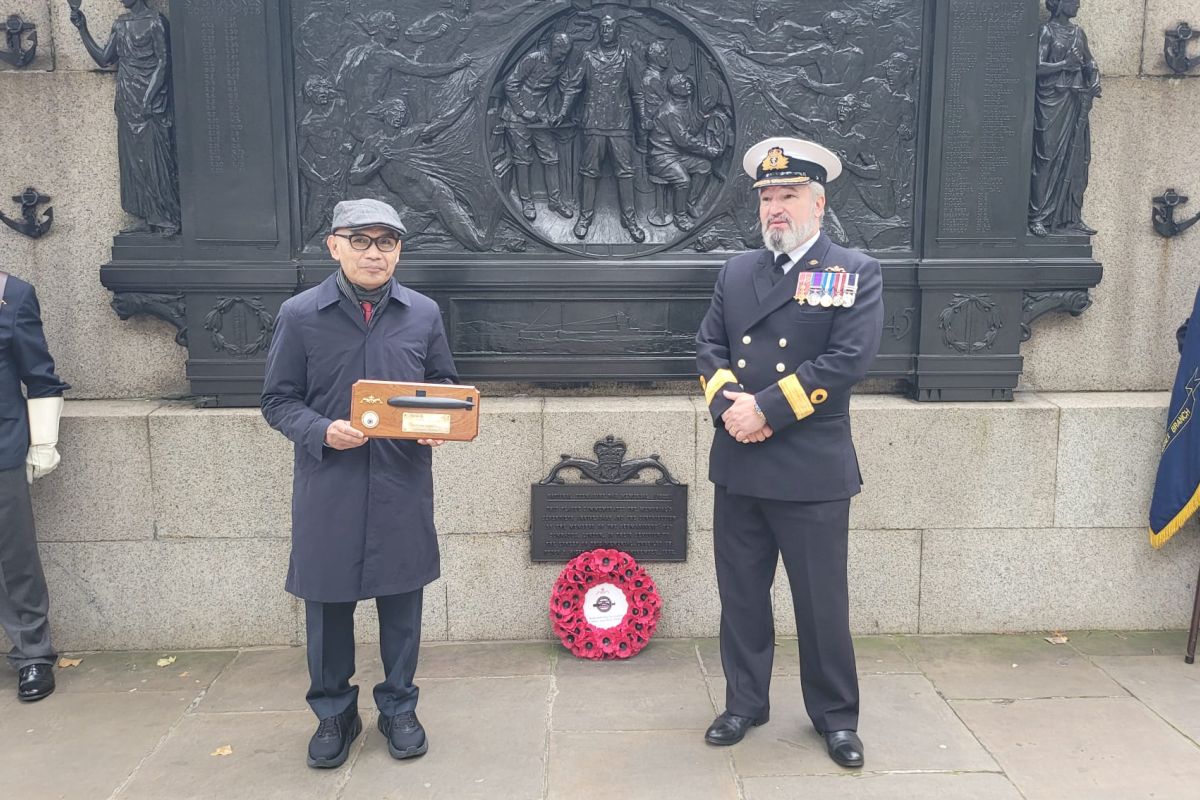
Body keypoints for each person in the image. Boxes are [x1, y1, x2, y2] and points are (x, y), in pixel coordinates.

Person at [694, 137, 884, 768]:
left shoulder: (852, 269)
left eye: (789, 195)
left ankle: (835, 716)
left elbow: (847, 359)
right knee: (741, 595)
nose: (776, 208)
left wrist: (765, 410)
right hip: (741, 462)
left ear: (818, 202)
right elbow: (710, 350)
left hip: (809, 466)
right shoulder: (736, 272)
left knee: (821, 602)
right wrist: (731, 410)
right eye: (768, 197)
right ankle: (744, 702)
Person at [261, 199, 457, 769]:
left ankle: (399, 706)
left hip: (400, 481)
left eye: (387, 242)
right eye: (362, 240)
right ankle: (333, 712)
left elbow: (442, 384)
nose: (375, 253)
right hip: (331, 483)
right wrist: (322, 430)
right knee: (327, 605)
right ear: (334, 245)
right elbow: (277, 400)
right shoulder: (301, 315)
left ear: (399, 250)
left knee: (402, 600)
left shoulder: (422, 313)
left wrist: (438, 425)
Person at [0, 270, 69, 702]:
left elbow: (39, 373)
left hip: (1, 447)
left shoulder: (13, 296)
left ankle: (32, 654)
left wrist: (43, 441)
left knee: (14, 556)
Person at [69, 0, 181, 236]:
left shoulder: (156, 22)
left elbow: (163, 61)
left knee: (156, 158)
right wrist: (83, 29)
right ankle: (144, 215)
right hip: (127, 100)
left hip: (150, 102)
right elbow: (104, 58)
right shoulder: (120, 24)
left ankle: (167, 216)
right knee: (133, 161)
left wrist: (149, 99)